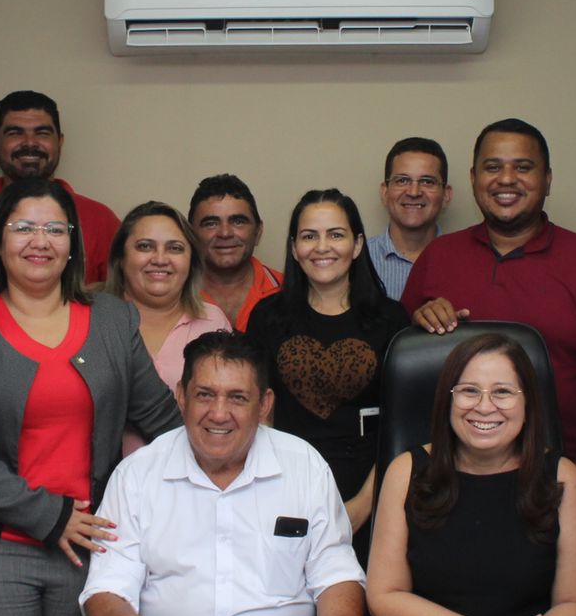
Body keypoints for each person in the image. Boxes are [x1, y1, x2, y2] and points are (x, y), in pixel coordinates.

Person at [0, 177, 183, 616]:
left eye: (55, 230)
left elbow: (163, 419)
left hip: (90, 549)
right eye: (23, 227)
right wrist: (49, 514)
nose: (40, 241)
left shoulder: (111, 319)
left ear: (72, 246)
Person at [80, 333, 366, 616]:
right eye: (204, 395)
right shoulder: (137, 475)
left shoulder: (305, 466)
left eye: (237, 398)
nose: (218, 413)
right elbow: (107, 587)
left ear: (265, 404)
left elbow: (336, 575)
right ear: (181, 397)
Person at [401, 118, 576, 499]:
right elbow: (403, 370)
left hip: (554, 476)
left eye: (523, 167)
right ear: (474, 178)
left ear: (547, 179)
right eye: (492, 167)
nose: (506, 179)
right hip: (447, 480)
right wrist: (420, 320)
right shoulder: (438, 257)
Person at [367, 334, 576, 616]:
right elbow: (385, 597)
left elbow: (575, 605)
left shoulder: (562, 476)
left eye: (502, 392)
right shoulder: (406, 472)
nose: (484, 407)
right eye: (469, 391)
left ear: (528, 404)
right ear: (448, 400)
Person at [244, 189, 409, 539]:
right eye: (309, 236)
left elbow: (404, 425)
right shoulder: (266, 317)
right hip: (285, 485)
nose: (322, 247)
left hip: (372, 490)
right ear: (293, 248)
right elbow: (258, 415)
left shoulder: (391, 320)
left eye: (336, 234)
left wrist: (364, 504)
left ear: (358, 244)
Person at [0, 90, 121, 282]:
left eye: (42, 133)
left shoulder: (102, 221)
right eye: (15, 133)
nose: (29, 143)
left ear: (60, 141)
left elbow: (117, 297)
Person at [101, 201, 231, 452]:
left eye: (175, 248)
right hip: (103, 482)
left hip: (193, 477)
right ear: (120, 258)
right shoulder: (93, 318)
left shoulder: (213, 322)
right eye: (145, 246)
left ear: (191, 261)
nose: (160, 259)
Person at [189, 173, 283, 331]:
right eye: (211, 224)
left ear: (258, 232)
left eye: (238, 222)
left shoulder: (290, 292)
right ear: (190, 234)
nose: (225, 233)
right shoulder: (173, 295)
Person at [366, 137, 452, 300]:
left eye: (427, 182)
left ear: (446, 195)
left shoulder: (466, 262)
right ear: (385, 192)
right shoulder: (357, 261)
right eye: (402, 180)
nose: (414, 192)